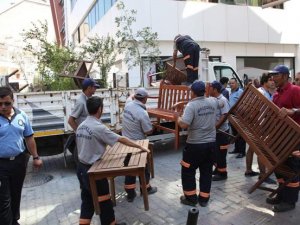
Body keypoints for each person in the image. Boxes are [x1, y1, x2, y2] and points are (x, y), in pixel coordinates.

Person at [76, 96, 150, 225]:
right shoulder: (98, 127)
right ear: (100, 109)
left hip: (81, 169)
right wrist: (140, 146)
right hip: (93, 171)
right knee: (104, 200)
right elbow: (121, 139)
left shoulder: (81, 126)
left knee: (87, 199)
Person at [0, 87, 43, 225]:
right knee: (3, 199)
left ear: (13, 100)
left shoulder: (22, 116)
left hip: (19, 162)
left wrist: (36, 157)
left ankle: (14, 220)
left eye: (7, 103)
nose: (3, 107)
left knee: (16, 194)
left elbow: (29, 138)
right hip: (1, 165)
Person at [177, 81, 218, 207]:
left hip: (195, 145)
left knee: (188, 170)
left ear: (193, 92)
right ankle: (204, 199)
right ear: (204, 91)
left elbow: (184, 124)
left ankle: (190, 198)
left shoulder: (191, 106)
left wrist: (177, 117)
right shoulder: (213, 102)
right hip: (211, 143)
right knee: (206, 171)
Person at [266, 65, 300, 212]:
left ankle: (290, 201)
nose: (273, 78)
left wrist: (293, 111)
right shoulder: (276, 94)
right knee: (279, 167)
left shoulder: (295, 90)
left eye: (276, 75)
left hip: (293, 138)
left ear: (285, 76)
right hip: (280, 137)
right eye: (272, 75)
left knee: (291, 169)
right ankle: (281, 194)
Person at [122, 88, 157, 202]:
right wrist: (153, 126)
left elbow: (129, 98)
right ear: (145, 99)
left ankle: (130, 194)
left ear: (135, 97)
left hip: (126, 142)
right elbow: (148, 131)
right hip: (138, 144)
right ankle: (145, 189)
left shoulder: (128, 105)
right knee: (144, 167)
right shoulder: (142, 113)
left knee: (129, 168)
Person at [244, 73, 276, 183]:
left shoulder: (267, 92)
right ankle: (263, 175)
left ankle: (248, 170)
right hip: (259, 125)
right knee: (261, 150)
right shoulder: (261, 92)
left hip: (260, 124)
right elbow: (254, 109)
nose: (273, 82)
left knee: (252, 148)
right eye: (270, 80)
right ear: (265, 81)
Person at [67, 78, 100, 164]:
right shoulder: (81, 102)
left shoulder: (88, 99)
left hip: (89, 135)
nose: (95, 90)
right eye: (94, 88)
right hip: (85, 136)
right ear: (89, 88)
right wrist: (80, 133)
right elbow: (70, 120)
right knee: (84, 161)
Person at [209, 81, 230, 181]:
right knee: (215, 153)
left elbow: (225, 115)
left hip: (222, 132)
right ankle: (218, 169)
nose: (208, 89)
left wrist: (216, 126)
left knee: (221, 153)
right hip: (215, 132)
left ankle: (223, 173)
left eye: (210, 88)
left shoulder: (222, 100)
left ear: (215, 90)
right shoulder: (212, 99)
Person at [228, 78, 246, 158]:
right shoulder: (231, 92)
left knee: (240, 134)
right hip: (232, 115)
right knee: (235, 134)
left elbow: (244, 103)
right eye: (230, 83)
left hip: (239, 115)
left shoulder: (240, 92)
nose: (231, 85)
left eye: (233, 83)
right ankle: (237, 149)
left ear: (237, 84)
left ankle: (242, 152)